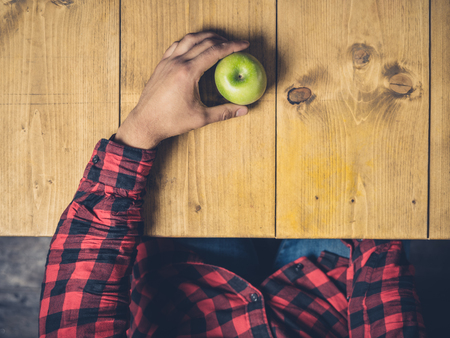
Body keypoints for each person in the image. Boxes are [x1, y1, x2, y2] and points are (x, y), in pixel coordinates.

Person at [38, 32, 426, 337]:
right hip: (324, 291)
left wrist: (141, 130)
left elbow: (74, 313)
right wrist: (377, 213)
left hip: (185, 271)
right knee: (339, 79)